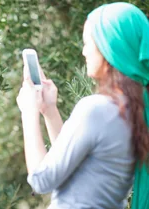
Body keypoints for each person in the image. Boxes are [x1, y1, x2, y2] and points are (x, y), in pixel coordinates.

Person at [16, 2, 149, 209]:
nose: (84, 52)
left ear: (109, 47)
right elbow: (75, 166)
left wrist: (29, 111)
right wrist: (50, 111)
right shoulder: (137, 109)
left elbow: (42, 180)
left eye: (88, 43)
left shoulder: (98, 108)